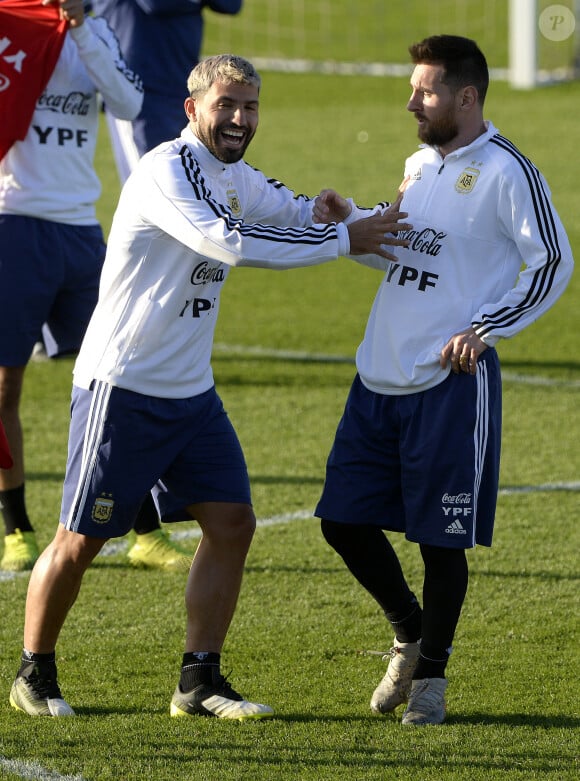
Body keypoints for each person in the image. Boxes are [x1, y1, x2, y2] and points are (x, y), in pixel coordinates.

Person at [9, 53, 411, 719]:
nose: (240, 118)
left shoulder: (234, 175)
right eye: (227, 105)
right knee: (80, 539)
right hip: (124, 387)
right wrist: (343, 238)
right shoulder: (167, 169)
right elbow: (225, 242)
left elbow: (295, 215)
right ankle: (34, 672)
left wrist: (355, 219)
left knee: (232, 522)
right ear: (193, 108)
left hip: (191, 392)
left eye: (250, 106)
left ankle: (199, 682)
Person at [314, 35, 574, 726]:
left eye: (424, 91)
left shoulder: (509, 170)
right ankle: (410, 629)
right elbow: (400, 251)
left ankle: (431, 677)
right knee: (340, 521)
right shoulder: (418, 163)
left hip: (450, 383)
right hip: (378, 373)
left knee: (441, 541)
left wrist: (487, 326)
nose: (410, 102)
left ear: (466, 96)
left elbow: (551, 262)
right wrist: (356, 225)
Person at [91, 1, 245, 558]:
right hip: (144, 91)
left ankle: (145, 523)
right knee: (175, 224)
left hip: (188, 84)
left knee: (189, 245)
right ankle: (140, 527)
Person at [0, 0, 143, 572]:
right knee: (6, 388)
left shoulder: (94, 32)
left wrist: (82, 26)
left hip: (81, 229)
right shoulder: (8, 28)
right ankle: (17, 526)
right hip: (11, 222)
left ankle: (144, 530)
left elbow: (130, 102)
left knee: (119, 379)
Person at [92, 0, 243, 183]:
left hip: (186, 90)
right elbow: (155, 4)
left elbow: (231, 4)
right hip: (136, 94)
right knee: (149, 188)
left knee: (192, 185)